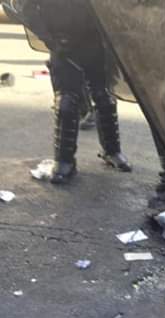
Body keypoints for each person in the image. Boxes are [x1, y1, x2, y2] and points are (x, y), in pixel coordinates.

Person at [16, 0, 132, 184]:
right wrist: (49, 39)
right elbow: (27, 8)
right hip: (63, 40)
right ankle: (64, 161)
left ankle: (112, 151)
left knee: (104, 96)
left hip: (95, 39)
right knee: (67, 102)